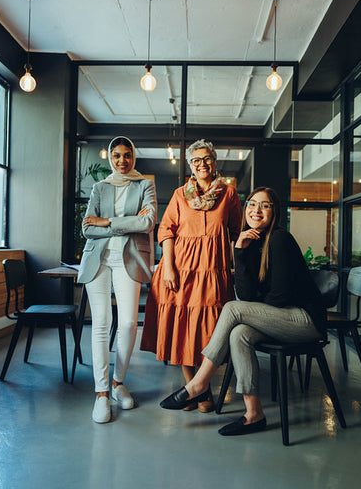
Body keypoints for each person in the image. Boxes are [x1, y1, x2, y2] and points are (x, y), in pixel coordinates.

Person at [159, 186, 327, 436]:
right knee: (239, 334)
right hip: (281, 319)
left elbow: (279, 298)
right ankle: (253, 414)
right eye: (251, 204)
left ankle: (199, 383)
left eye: (265, 205)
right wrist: (239, 249)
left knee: (232, 309)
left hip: (304, 320)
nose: (256, 210)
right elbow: (247, 295)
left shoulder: (280, 239)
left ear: (275, 211)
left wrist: (253, 308)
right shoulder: (252, 242)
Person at [140, 139, 242, 412]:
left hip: (213, 271)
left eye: (206, 158)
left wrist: (235, 265)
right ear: (190, 166)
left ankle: (198, 387)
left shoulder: (229, 194)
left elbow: (235, 232)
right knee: (181, 329)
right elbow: (166, 231)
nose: (202, 164)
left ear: (215, 162)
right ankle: (197, 391)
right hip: (181, 269)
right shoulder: (179, 194)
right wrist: (169, 266)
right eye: (196, 160)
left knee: (210, 331)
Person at [78, 136, 157, 423]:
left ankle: (117, 383)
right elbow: (88, 228)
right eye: (116, 156)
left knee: (126, 323)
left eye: (127, 155)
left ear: (134, 156)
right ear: (110, 158)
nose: (122, 160)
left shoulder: (145, 185)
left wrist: (108, 222)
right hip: (98, 259)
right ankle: (101, 393)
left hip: (130, 258)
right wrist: (126, 224)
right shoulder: (100, 187)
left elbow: (147, 223)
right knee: (101, 323)